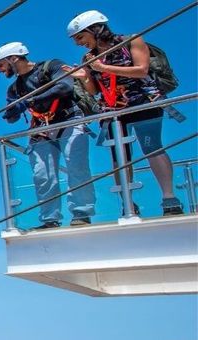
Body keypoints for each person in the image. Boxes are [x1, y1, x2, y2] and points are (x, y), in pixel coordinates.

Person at [67, 10, 183, 216]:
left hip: (144, 104)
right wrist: (84, 77)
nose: (78, 43)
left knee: (152, 147)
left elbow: (142, 70)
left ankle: (169, 198)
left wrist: (105, 67)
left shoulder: (131, 41)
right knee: (119, 157)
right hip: (113, 111)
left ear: (95, 29)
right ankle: (128, 203)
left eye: (80, 37)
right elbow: (95, 90)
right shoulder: (89, 57)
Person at [0, 42, 96, 229]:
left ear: (13, 58)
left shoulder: (51, 66)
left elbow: (64, 86)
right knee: (42, 175)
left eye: (1, 64)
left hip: (69, 120)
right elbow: (12, 118)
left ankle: (81, 213)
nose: (0, 70)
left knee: (77, 166)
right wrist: (12, 111)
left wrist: (30, 100)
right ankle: (50, 219)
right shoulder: (14, 89)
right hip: (41, 128)